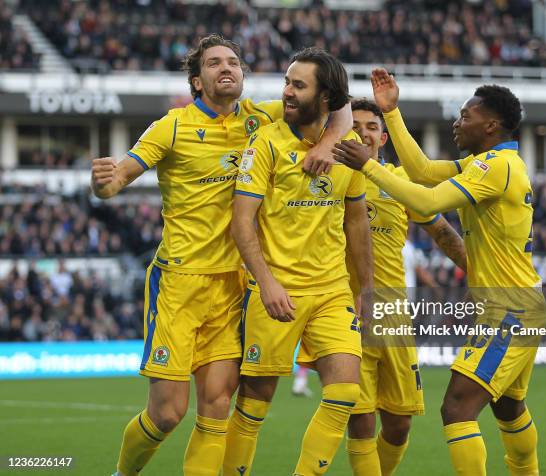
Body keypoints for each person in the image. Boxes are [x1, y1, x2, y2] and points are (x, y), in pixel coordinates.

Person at [91, 34, 351, 476]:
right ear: (197, 80)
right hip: (180, 283)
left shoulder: (261, 117)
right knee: (167, 414)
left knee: (216, 408)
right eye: (214, 63)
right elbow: (120, 178)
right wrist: (105, 183)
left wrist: (327, 145)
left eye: (233, 61)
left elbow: (339, 103)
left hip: (234, 286)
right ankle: (123, 472)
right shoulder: (171, 126)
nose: (226, 67)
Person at [334, 68, 546, 476]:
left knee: (457, 408)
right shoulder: (489, 163)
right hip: (519, 303)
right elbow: (424, 172)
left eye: (465, 116)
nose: (457, 122)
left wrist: (369, 166)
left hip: (509, 308)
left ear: (491, 125)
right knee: (509, 407)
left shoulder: (493, 169)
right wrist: (391, 113)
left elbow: (428, 200)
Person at [225, 47, 373, 476]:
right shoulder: (267, 141)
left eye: (297, 85)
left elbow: (357, 224)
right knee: (254, 400)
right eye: (287, 83)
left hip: (331, 291)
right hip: (277, 289)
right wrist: (266, 283)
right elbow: (242, 222)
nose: (286, 92)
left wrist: (366, 289)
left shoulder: (349, 151)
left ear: (324, 97)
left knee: (345, 392)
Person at [346, 99, 466, 476]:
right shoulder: (328, 176)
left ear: (383, 137)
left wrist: (484, 275)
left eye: (370, 126)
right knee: (361, 421)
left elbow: (443, 233)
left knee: (399, 424)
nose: (362, 131)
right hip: (345, 310)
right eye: (355, 124)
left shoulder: (398, 180)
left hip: (393, 316)